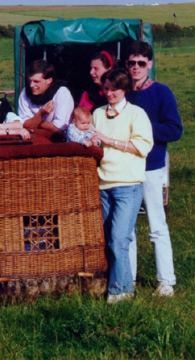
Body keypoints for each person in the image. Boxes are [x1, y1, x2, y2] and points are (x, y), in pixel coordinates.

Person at [91, 68, 153, 304]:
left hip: (128, 184)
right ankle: (121, 287)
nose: (109, 93)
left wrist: (109, 141)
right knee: (109, 239)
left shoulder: (137, 114)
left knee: (119, 238)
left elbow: (142, 147)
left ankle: (120, 291)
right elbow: (95, 143)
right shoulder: (97, 113)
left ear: (125, 89)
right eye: (106, 89)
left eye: (114, 89)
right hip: (103, 184)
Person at [126, 41, 183, 297]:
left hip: (151, 167)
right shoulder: (122, 93)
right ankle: (129, 280)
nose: (136, 68)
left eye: (141, 63)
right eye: (131, 63)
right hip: (126, 169)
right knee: (127, 227)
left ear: (150, 64)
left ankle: (166, 281)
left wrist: (144, 130)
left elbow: (175, 129)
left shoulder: (162, 92)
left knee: (156, 225)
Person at [18, 59, 74, 134]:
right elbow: (25, 125)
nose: (31, 85)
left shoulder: (62, 93)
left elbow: (58, 129)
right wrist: (41, 114)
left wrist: (34, 122)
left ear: (49, 80)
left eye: (36, 81)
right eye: (30, 81)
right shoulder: (25, 92)